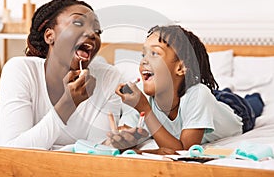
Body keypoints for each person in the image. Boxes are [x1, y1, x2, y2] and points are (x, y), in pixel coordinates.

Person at [109, 25, 263, 153]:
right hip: (197, 97)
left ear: (181, 67)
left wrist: (145, 109)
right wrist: (123, 138)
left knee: (252, 102)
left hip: (237, 110)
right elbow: (127, 134)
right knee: (212, 95)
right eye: (144, 54)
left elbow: (182, 150)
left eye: (154, 54)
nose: (144, 61)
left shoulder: (199, 94)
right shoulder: (139, 95)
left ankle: (255, 97)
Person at [0, 0, 123, 150]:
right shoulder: (20, 70)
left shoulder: (109, 78)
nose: (92, 34)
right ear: (50, 36)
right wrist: (68, 104)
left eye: (97, 31)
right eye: (78, 23)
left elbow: (96, 151)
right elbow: (14, 151)